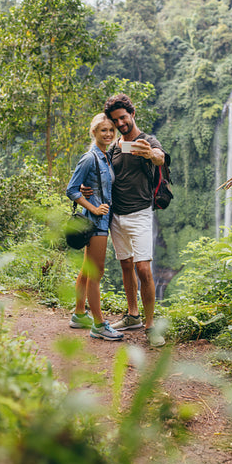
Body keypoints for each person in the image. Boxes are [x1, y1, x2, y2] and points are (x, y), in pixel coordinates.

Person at [85, 94, 166, 347]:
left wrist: (150, 154)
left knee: (143, 268)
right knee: (126, 265)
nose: (120, 124)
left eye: (123, 118)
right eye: (115, 120)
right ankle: (133, 315)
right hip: (115, 216)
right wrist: (88, 190)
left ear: (132, 114)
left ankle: (151, 327)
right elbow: (105, 175)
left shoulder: (147, 141)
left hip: (140, 213)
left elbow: (160, 157)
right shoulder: (114, 147)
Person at [66, 113, 123, 341]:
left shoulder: (106, 156)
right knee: (96, 273)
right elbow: (72, 189)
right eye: (103, 130)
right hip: (96, 222)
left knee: (88, 270)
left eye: (111, 130)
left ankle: (80, 314)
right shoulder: (90, 158)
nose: (108, 134)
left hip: (102, 221)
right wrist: (94, 207)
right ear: (94, 132)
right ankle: (99, 325)